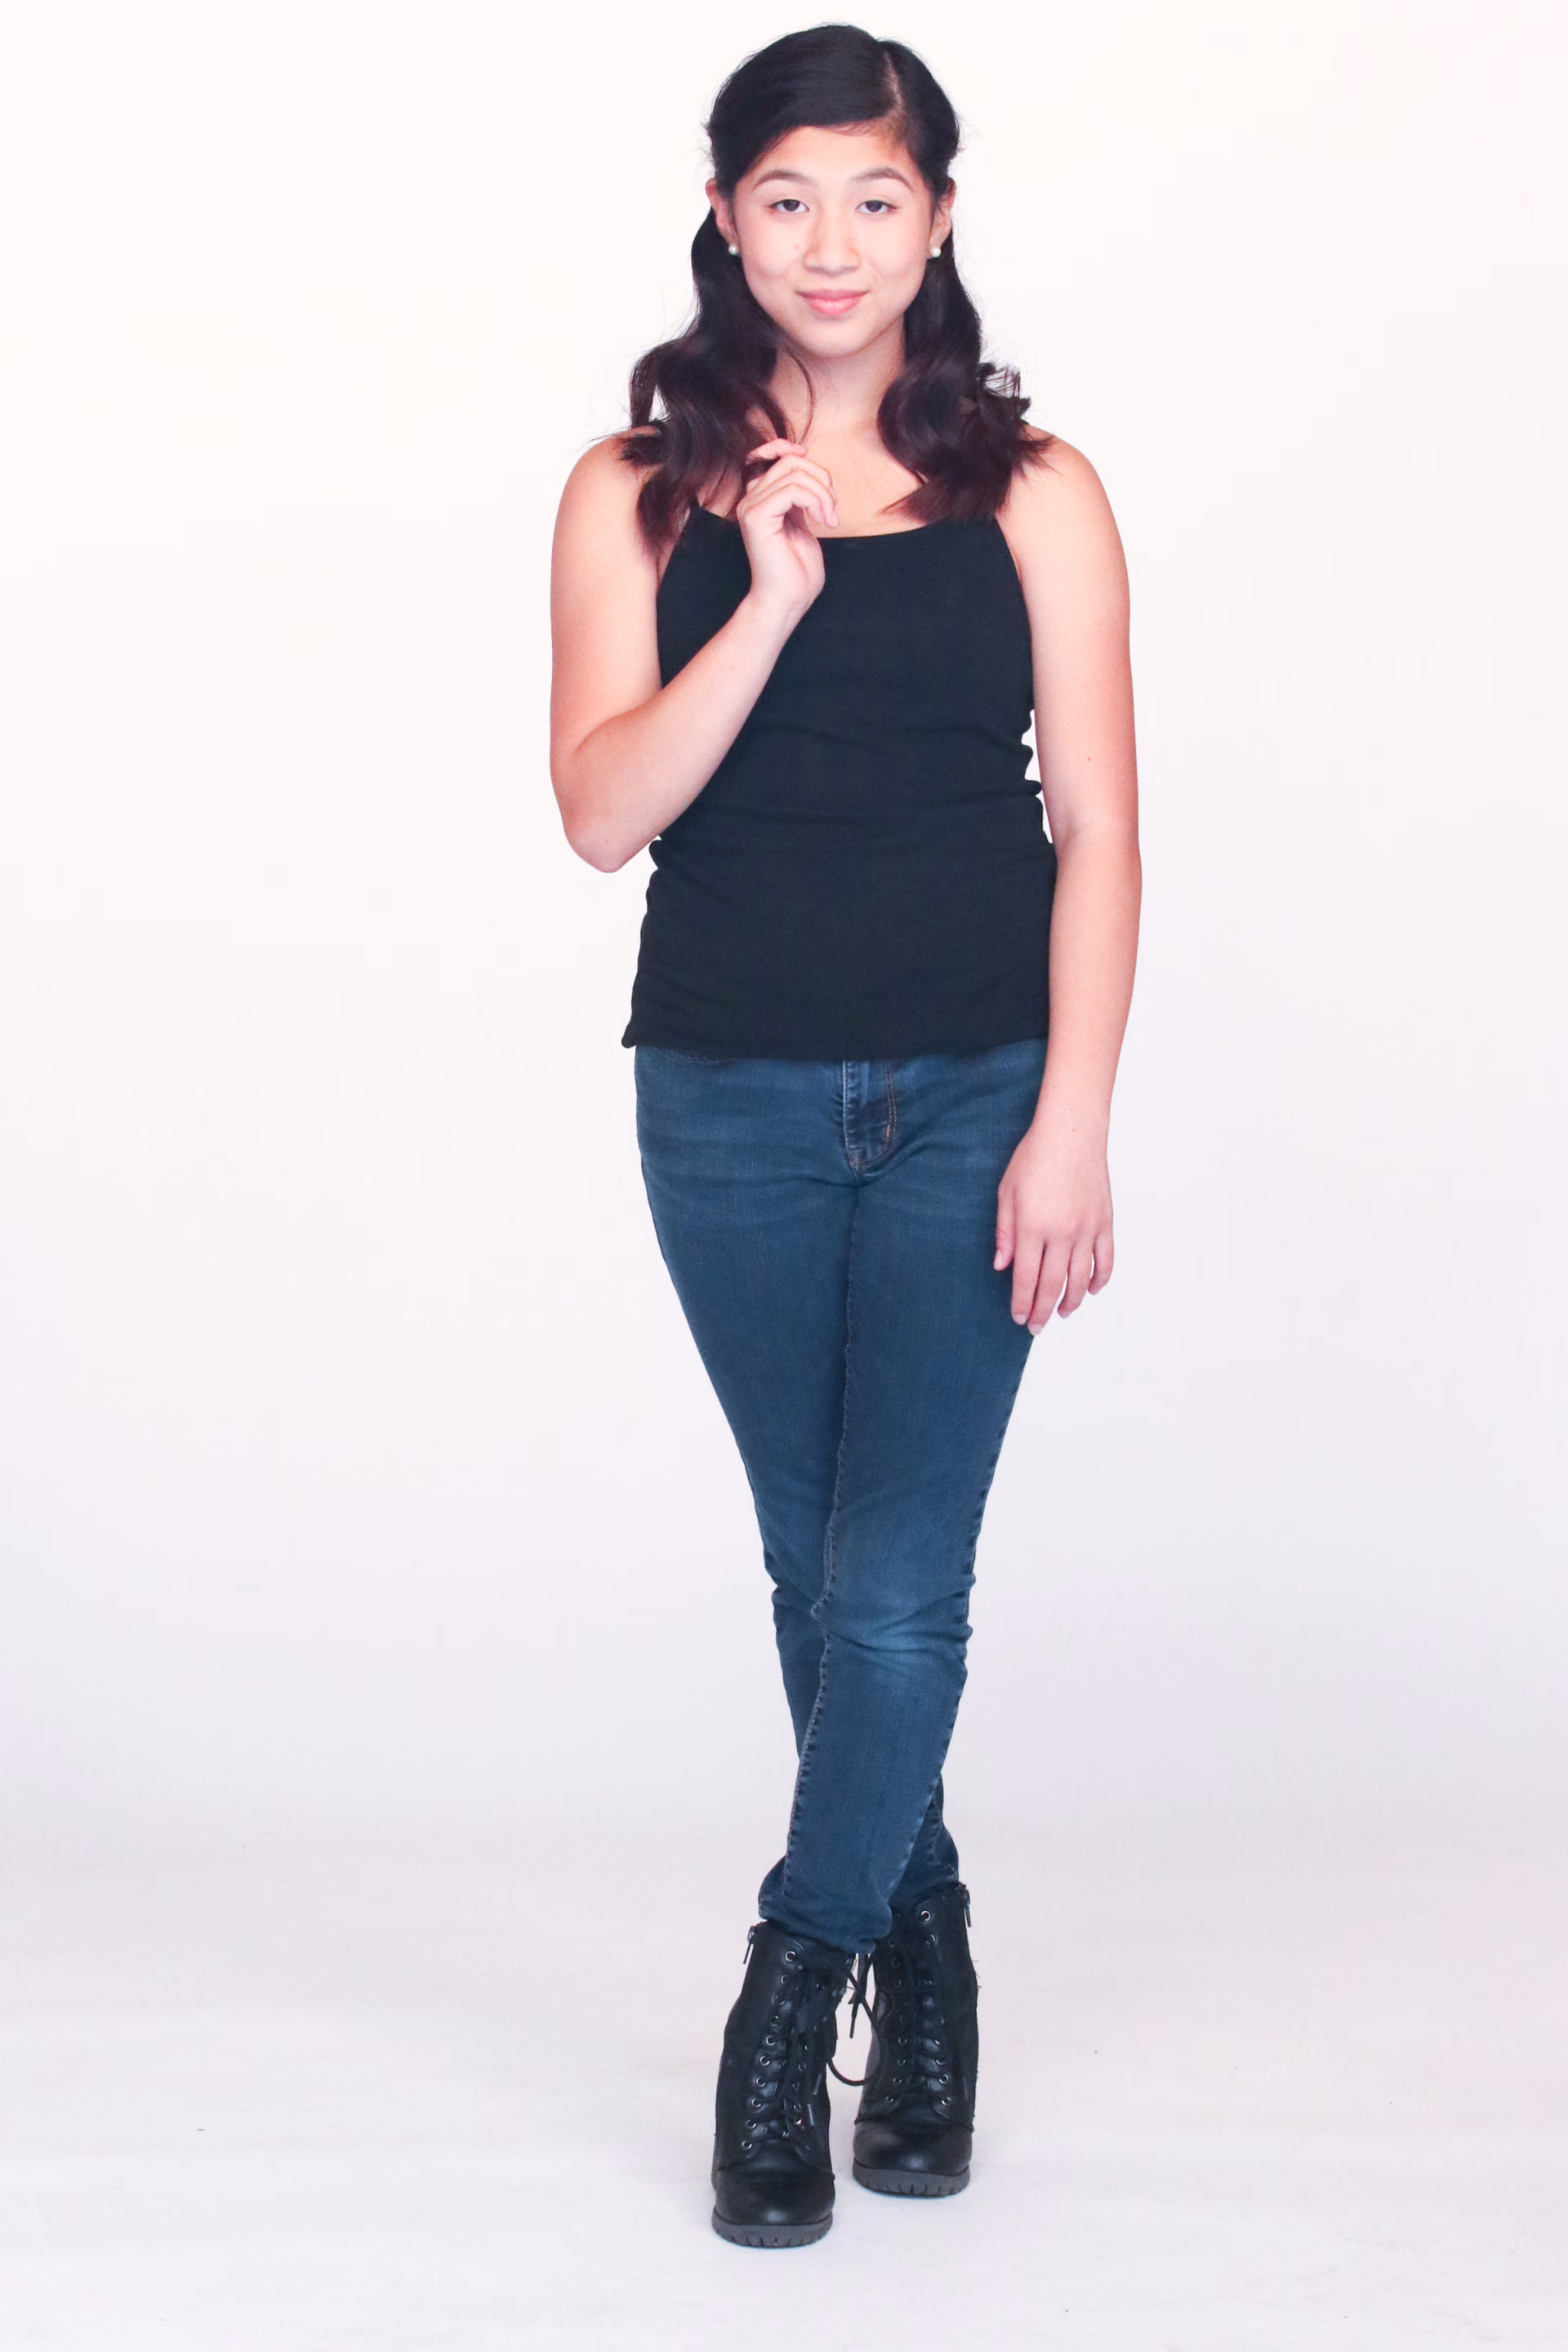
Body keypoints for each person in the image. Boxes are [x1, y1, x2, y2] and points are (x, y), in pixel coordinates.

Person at [549, 24, 1139, 2250]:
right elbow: (601, 813)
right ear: (724, 216)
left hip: (981, 1090)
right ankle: (933, 1926)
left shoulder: (1039, 490)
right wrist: (773, 596)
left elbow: (1103, 832)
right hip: (729, 1100)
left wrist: (1074, 1120)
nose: (831, 242)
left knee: (897, 1586)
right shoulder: (635, 490)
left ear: (940, 220)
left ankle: (798, 1980)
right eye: (787, 196)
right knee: (818, 1568)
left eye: (876, 198)